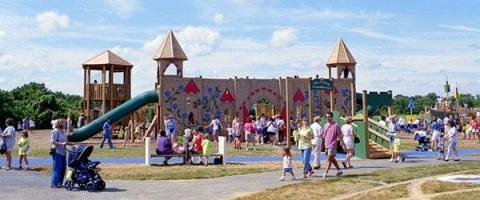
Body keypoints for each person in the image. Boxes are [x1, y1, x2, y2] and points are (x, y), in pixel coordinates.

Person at [322, 112, 344, 178]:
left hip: (333, 144)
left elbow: (339, 135)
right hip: (326, 144)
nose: (328, 118)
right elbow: (324, 135)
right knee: (332, 158)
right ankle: (339, 170)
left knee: (329, 158)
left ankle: (325, 173)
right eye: (327, 117)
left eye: (329, 117)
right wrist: (323, 143)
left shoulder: (336, 125)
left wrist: (341, 142)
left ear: (332, 117)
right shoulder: (325, 125)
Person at [50, 119, 68, 188]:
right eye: (64, 123)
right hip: (57, 152)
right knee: (57, 168)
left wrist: (69, 143)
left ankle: (60, 182)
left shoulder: (63, 132)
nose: (65, 124)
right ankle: (54, 183)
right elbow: (52, 141)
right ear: (60, 124)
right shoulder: (55, 131)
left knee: (63, 168)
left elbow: (65, 141)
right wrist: (61, 144)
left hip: (63, 152)